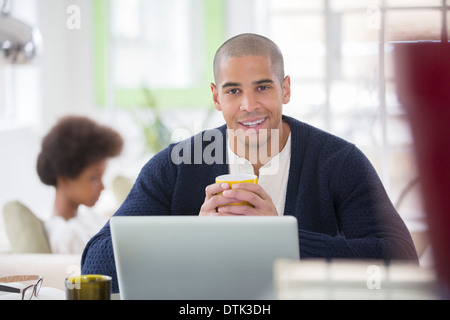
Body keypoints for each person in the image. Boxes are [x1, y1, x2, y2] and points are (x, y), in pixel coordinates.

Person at [81, 34, 418, 292]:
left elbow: (401, 260)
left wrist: (281, 239)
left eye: (262, 87)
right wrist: (193, 237)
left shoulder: (338, 162)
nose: (249, 105)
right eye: (233, 92)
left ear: (285, 89)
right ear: (216, 97)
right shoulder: (176, 164)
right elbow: (95, 266)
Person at [37, 115, 124, 254]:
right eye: (94, 178)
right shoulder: (63, 235)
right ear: (64, 178)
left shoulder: (91, 218)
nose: (103, 187)